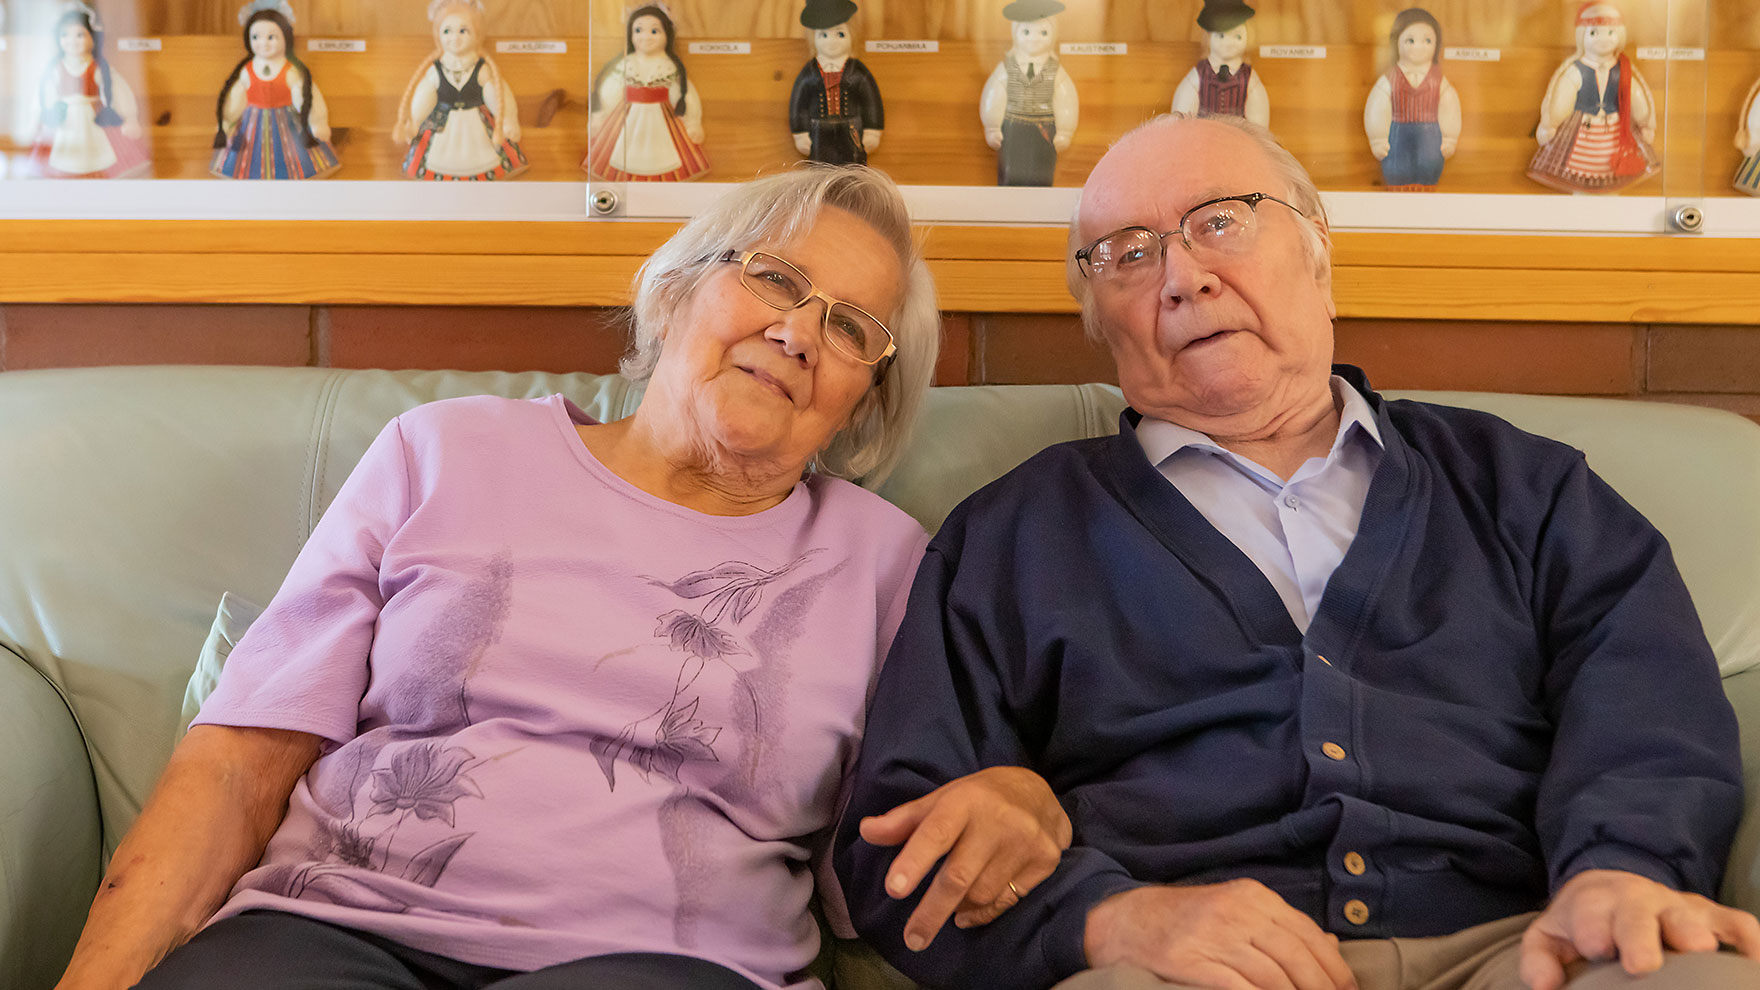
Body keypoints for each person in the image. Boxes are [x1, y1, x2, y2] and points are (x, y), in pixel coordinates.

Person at [51, 165, 1067, 990]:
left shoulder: (885, 561)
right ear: (672, 294)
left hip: (663, 969)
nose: (799, 331)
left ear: (860, 401)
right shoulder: (440, 454)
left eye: (850, 328)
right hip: (331, 933)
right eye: (773, 279)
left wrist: (1016, 797)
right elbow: (238, 765)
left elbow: (887, 860)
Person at [837, 114, 1760, 990]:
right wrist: (1109, 919)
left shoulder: (1528, 491)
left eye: (1222, 223)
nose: (1182, 277)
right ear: (1097, 319)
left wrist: (1621, 869)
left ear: (1317, 245)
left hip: (1531, 950)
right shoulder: (1014, 533)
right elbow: (896, 850)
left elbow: (1650, 714)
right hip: (1174, 966)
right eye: (1128, 253)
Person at [392, 0, 529, 182]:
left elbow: (495, 93)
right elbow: (425, 96)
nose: (455, 37)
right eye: (447, 31)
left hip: (476, 128)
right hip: (443, 129)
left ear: (477, 34)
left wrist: (508, 119)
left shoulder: (481, 69)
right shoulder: (437, 70)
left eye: (463, 31)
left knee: (487, 158)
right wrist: (415, 121)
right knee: (435, 158)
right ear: (438, 34)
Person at [1527, 2, 1657, 194]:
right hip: (1583, 132)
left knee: (1615, 183)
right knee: (1578, 177)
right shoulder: (1576, 71)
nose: (1603, 39)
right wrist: (1552, 122)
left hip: (1614, 133)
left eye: (1610, 32)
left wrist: (1644, 119)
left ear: (1620, 35)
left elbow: (1636, 97)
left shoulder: (1623, 70)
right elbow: (1563, 101)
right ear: (1582, 36)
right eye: (1594, 33)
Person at [210, 0, 340, 181]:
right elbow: (236, 99)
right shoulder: (247, 71)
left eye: (271, 37)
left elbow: (305, 97)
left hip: (287, 122)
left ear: (285, 38)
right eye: (256, 37)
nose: (263, 43)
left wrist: (317, 122)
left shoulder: (290, 71)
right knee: (245, 160)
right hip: (250, 125)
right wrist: (226, 121)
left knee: (296, 155)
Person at [583, 4, 709, 182]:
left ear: (667, 35)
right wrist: (600, 115)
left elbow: (684, 94)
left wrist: (692, 122)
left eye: (654, 31)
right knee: (622, 153)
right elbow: (610, 91)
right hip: (626, 119)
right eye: (638, 30)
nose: (646, 37)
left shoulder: (668, 66)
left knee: (665, 155)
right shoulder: (627, 63)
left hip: (663, 120)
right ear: (630, 35)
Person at [27, 2, 151, 179]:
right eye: (65, 35)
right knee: (61, 160)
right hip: (64, 123)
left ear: (92, 38)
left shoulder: (97, 67)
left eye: (80, 35)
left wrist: (130, 117)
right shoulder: (55, 69)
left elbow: (118, 90)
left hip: (93, 120)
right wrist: (37, 119)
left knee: (100, 156)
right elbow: (43, 96)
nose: (72, 41)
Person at [978, 0, 1079, 187]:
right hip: (1013, 127)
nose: (1034, 38)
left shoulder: (1056, 72)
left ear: (1053, 35)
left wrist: (1065, 131)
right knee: (1011, 168)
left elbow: (1066, 100)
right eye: (1026, 32)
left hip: (1045, 129)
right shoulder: (1006, 69)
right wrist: (992, 126)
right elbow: (994, 95)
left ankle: (1040, 201)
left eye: (1043, 32)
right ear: (1016, 34)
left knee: (1041, 170)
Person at [1363, 8, 1460, 191]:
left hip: (1430, 134)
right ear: (1397, 43)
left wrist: (1449, 138)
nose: (1418, 47)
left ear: (1436, 44)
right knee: (1397, 166)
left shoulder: (1438, 81)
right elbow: (1378, 108)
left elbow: (1449, 107)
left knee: (1429, 164)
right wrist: (1377, 138)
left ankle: (1426, 189)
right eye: (1410, 40)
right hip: (1398, 134)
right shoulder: (1390, 80)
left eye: (1427, 41)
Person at [789, 0, 885, 166]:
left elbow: (871, 101)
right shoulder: (810, 72)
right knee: (819, 167)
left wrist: (872, 131)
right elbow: (799, 104)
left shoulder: (857, 71)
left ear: (852, 36)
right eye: (823, 35)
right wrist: (800, 133)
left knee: (853, 167)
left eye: (840, 34)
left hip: (851, 129)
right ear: (814, 38)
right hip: (818, 131)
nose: (831, 42)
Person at [1170, 0, 1269, 128]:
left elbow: (1259, 124)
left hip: (1238, 141)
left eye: (1237, 36)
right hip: (1203, 139)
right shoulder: (1198, 76)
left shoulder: (1249, 79)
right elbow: (1181, 119)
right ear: (1208, 37)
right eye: (1221, 36)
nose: (1228, 43)